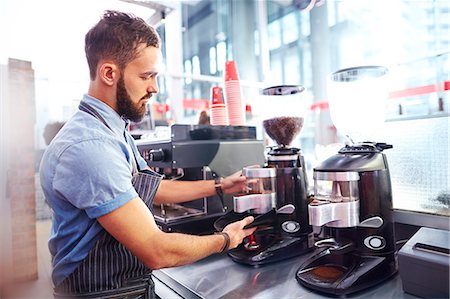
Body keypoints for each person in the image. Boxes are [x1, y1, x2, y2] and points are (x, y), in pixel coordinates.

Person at [39, 10, 256, 298]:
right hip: (104, 293)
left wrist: (219, 185)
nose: (154, 88)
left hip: (131, 287)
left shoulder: (113, 129)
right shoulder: (89, 146)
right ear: (108, 73)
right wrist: (226, 239)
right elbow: (157, 250)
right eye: (146, 76)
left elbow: (151, 188)